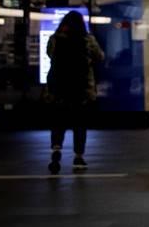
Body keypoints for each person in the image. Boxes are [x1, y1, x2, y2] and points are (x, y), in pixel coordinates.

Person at [45, 10, 105, 174]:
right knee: (79, 123)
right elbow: (100, 56)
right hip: (81, 88)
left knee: (59, 121)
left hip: (59, 88)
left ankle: (56, 150)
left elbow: (50, 55)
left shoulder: (55, 39)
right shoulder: (87, 40)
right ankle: (78, 157)